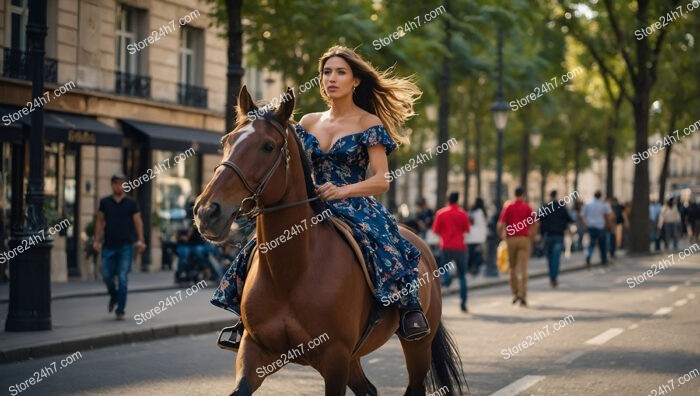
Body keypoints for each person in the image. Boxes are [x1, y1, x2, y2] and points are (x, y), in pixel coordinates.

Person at [212, 45, 429, 349]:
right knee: (258, 247)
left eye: (341, 72)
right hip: (310, 202)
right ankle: (246, 317)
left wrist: (343, 190)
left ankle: (409, 309)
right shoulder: (308, 122)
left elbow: (382, 180)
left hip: (355, 202)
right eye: (327, 72)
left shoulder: (369, 123)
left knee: (386, 244)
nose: (332, 78)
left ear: (355, 81)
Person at [93, 172, 146, 320]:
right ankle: (114, 296)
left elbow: (138, 222)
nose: (119, 186)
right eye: (116, 183)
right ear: (112, 185)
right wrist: (96, 240)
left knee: (122, 278)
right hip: (108, 246)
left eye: (122, 183)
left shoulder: (131, 203)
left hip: (125, 247)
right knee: (106, 275)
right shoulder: (105, 202)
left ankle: (120, 309)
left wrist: (141, 240)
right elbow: (100, 222)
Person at [497, 187, 538, 307]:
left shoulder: (508, 207)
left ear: (514, 194)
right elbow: (535, 224)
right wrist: (532, 236)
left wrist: (501, 235)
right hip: (524, 239)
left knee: (512, 267)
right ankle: (523, 294)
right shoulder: (527, 207)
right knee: (523, 268)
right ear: (523, 195)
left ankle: (515, 293)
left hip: (511, 239)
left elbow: (500, 224)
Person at [432, 192, 471, 312]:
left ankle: (447, 280)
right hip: (460, 247)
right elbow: (467, 230)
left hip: (446, 247)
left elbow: (436, 230)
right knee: (462, 275)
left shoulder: (441, 213)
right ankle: (463, 302)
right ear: (458, 200)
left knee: (443, 269)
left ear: (448, 199)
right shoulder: (462, 213)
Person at [539, 190, 573, 288]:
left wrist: (541, 234)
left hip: (548, 236)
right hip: (559, 235)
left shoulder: (545, 207)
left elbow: (538, 219)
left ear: (550, 196)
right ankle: (554, 277)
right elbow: (569, 219)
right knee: (556, 258)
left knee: (549, 258)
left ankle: (551, 276)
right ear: (556, 195)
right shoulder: (561, 207)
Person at [581, 190, 612, 268]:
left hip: (591, 226)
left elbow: (582, 215)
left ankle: (589, 255)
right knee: (602, 244)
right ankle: (604, 260)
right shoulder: (604, 204)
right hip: (600, 226)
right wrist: (608, 224)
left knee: (591, 243)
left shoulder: (588, 204)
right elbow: (608, 215)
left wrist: (587, 223)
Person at [466, 197, 488, 276]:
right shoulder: (481, 212)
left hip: (470, 237)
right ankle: (475, 268)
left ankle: (470, 268)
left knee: (471, 253)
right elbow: (483, 224)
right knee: (478, 254)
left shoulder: (471, 211)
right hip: (479, 237)